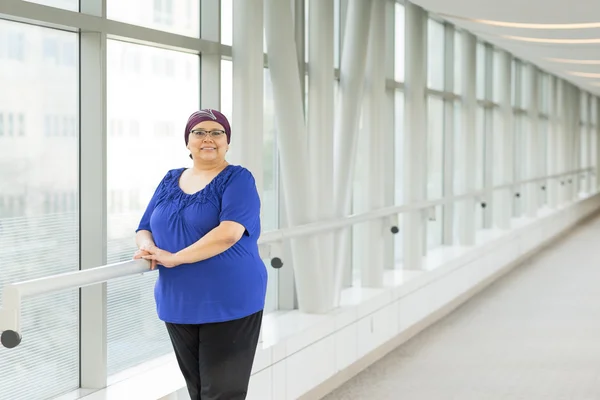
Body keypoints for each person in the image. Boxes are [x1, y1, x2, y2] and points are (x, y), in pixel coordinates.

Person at [132, 109, 267, 400]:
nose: (208, 138)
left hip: (230, 298)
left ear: (227, 142)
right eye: (199, 132)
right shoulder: (170, 178)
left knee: (221, 394)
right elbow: (144, 227)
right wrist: (148, 247)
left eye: (217, 132)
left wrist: (174, 257)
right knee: (198, 392)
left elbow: (229, 232)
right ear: (187, 141)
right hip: (178, 299)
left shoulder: (238, 179)